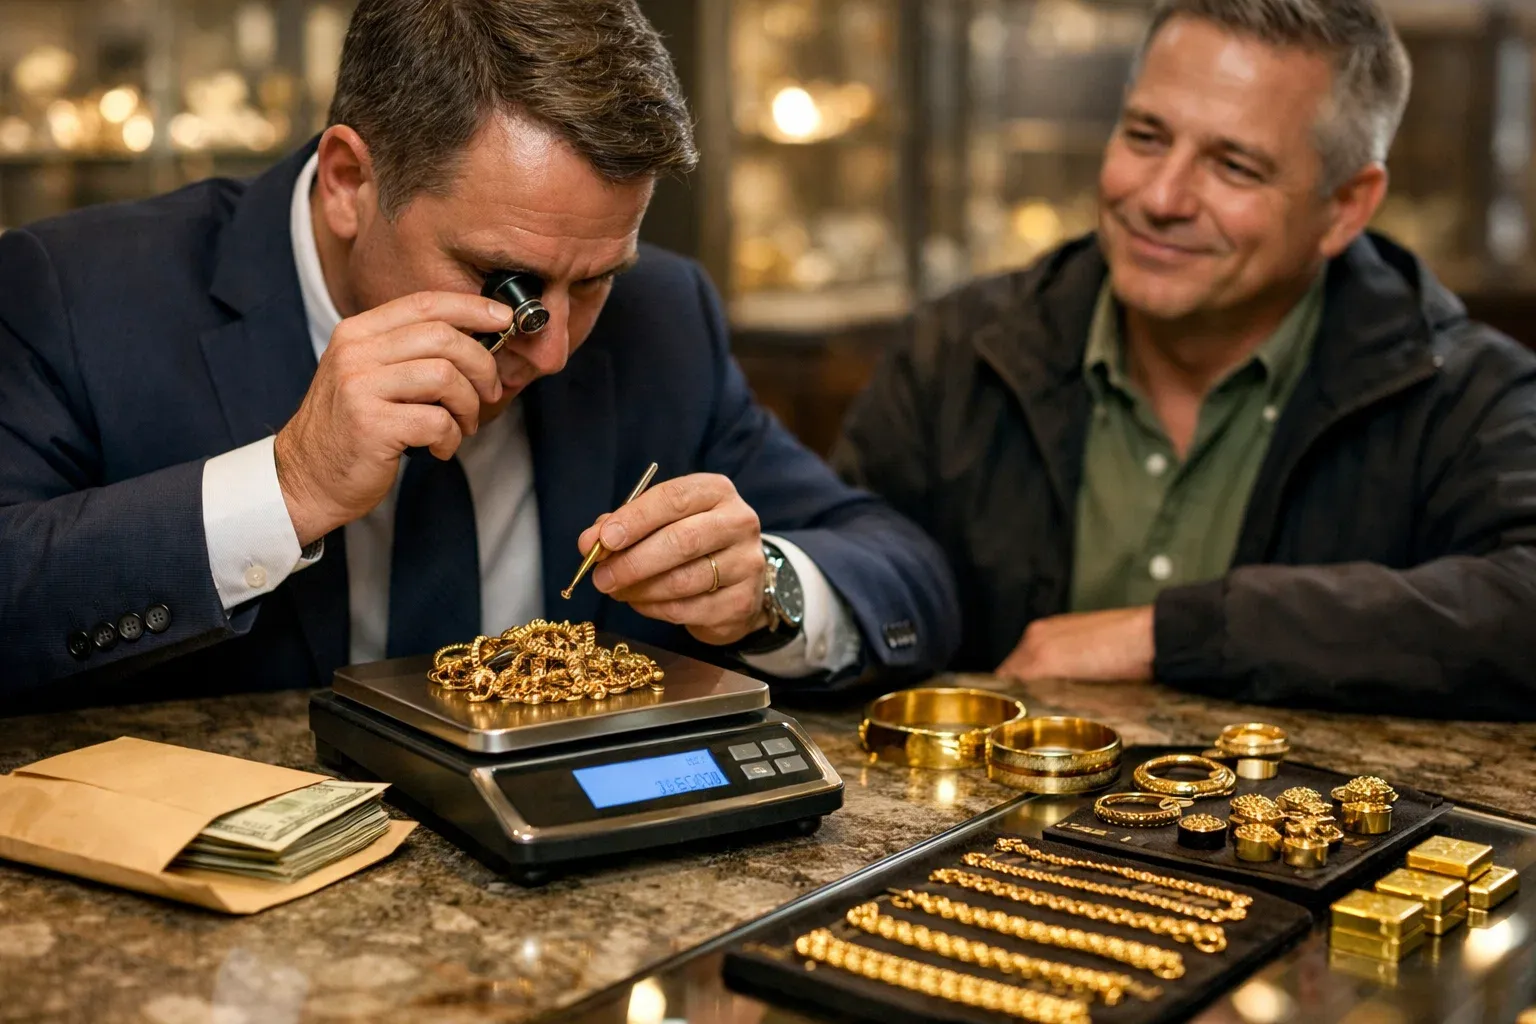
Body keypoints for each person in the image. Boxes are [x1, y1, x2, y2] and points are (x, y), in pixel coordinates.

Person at [0, 0, 959, 712]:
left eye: (596, 280)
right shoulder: (80, 294)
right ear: (349, 182)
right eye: (507, 279)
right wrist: (286, 485)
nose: (555, 347)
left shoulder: (663, 318)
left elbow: (907, 572)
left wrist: (764, 591)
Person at [835, 0, 1536, 720]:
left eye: (1234, 166)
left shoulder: (1463, 391)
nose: (1161, 197)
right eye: (1145, 136)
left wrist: (1177, 636)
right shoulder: (952, 353)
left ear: (1346, 207)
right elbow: (851, 581)